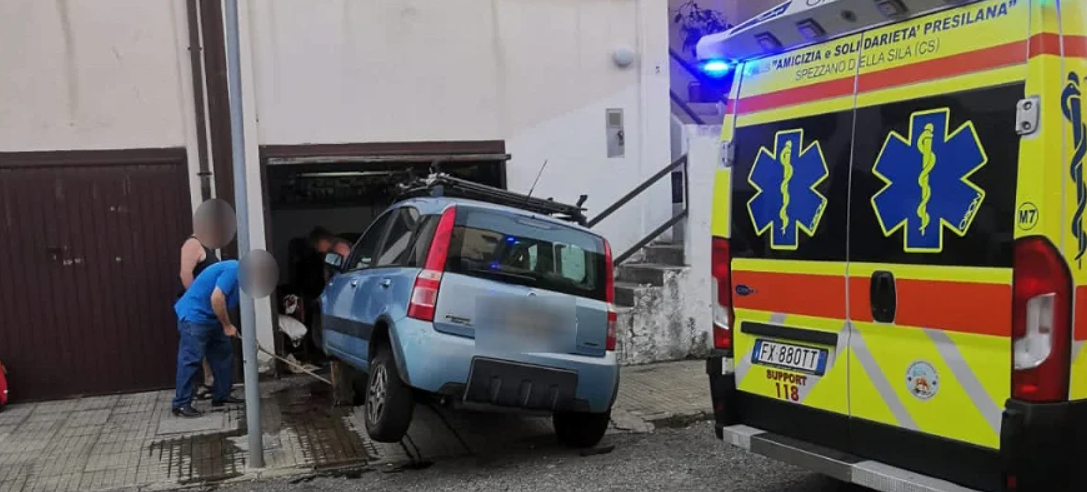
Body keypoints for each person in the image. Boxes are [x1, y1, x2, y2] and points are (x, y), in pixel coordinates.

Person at [172, 260, 245, 417]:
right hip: (194, 316)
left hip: (212, 317)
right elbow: (217, 298)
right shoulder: (234, 269)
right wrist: (227, 326)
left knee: (223, 354)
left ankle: (221, 395)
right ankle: (181, 404)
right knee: (191, 359)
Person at [179, 233, 219, 400]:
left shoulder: (208, 246)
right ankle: (182, 401)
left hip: (210, 306)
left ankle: (211, 384)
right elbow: (185, 274)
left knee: (213, 347)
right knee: (193, 353)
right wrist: (196, 299)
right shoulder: (193, 244)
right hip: (197, 308)